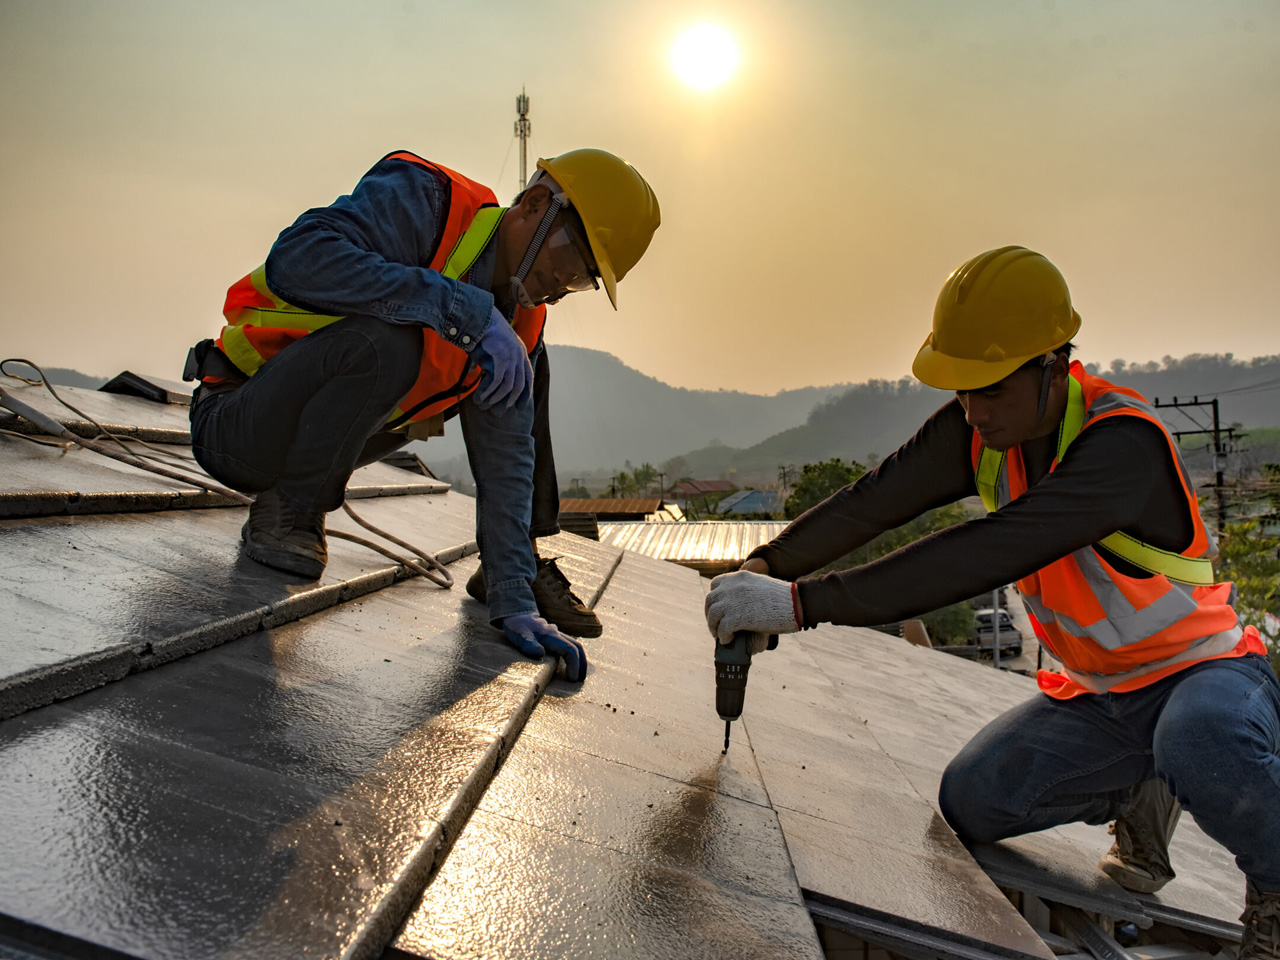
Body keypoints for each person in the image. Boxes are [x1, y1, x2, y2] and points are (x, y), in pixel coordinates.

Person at [704, 246, 1280, 956]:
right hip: (1101, 696)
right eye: (963, 392)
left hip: (1204, 674)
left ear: (1052, 365)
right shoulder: (977, 430)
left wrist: (798, 604)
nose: (974, 412)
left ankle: (1276, 893)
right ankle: (1136, 789)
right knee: (971, 801)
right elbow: (874, 502)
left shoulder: (1120, 445)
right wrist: (764, 566)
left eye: (992, 391)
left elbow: (987, 551)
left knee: (1199, 740)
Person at [185, 148, 660, 682]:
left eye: (582, 278)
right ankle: (293, 510)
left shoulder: (521, 323)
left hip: (319, 441)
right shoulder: (426, 203)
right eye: (570, 256)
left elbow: (506, 459)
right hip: (239, 421)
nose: (561, 282)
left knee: (515, 372)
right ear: (533, 204)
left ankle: (294, 494)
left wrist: (512, 596)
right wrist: (459, 310)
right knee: (388, 343)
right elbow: (297, 258)